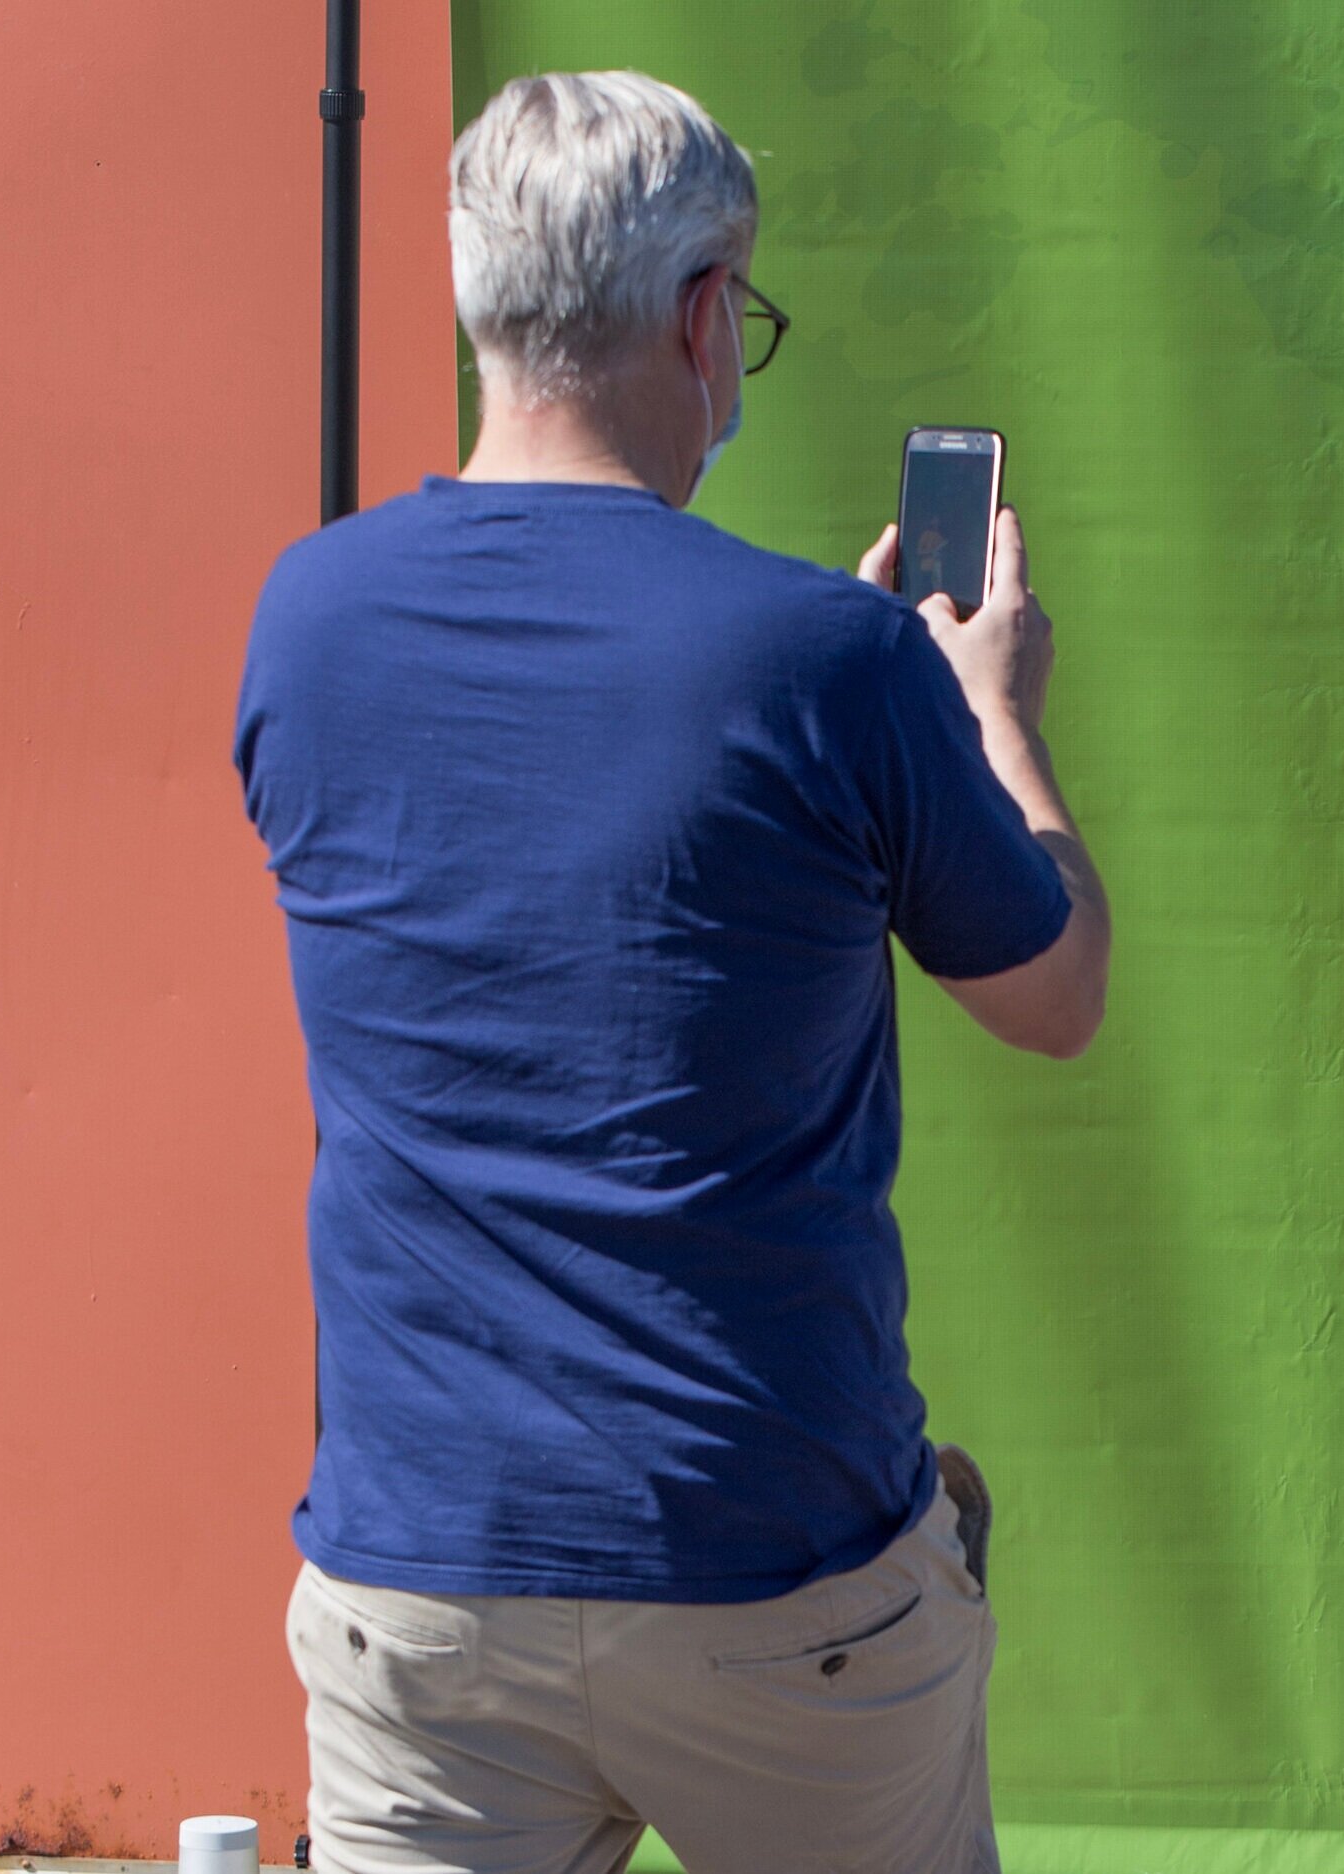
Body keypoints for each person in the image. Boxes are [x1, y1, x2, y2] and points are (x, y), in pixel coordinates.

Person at [235, 71, 1109, 1874]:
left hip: (423, 1567)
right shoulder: (836, 657)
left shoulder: (305, 617)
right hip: (772, 1564)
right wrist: (990, 720)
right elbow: (1055, 992)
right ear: (708, 317)